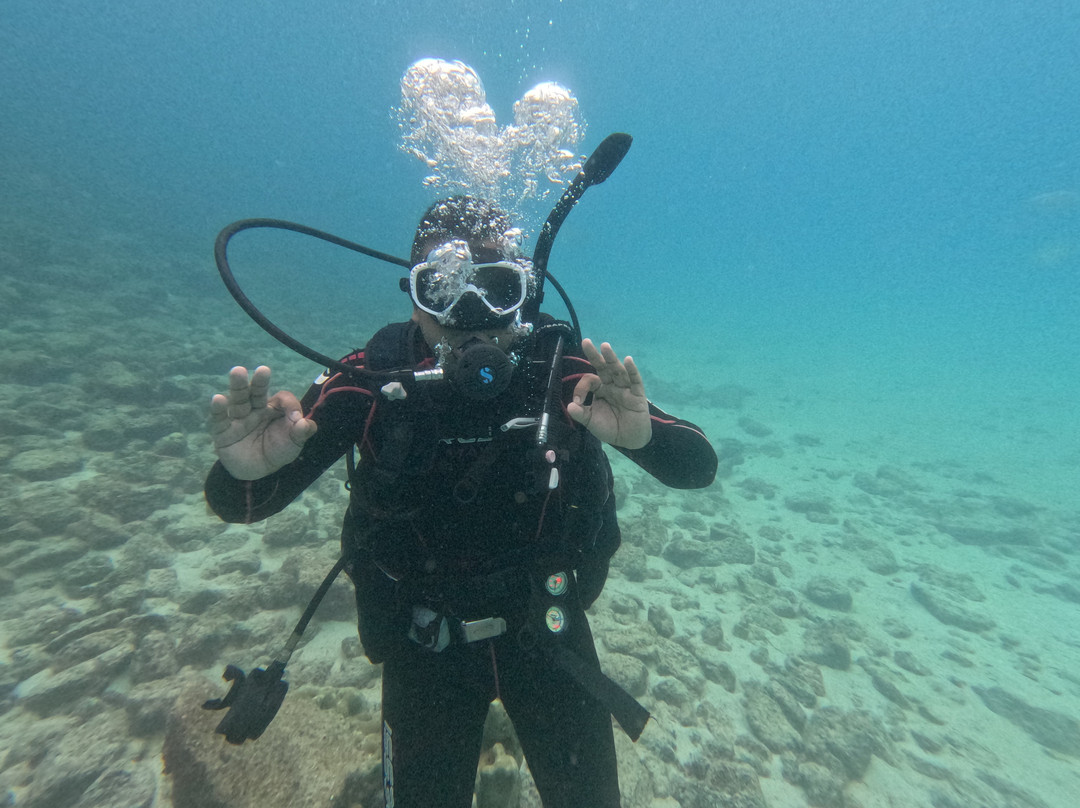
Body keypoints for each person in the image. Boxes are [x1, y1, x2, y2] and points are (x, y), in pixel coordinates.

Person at [204, 196, 717, 808]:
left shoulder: (566, 374)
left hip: (548, 635)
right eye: (442, 292)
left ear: (524, 294)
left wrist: (644, 437)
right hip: (425, 652)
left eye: (497, 289)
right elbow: (242, 503)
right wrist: (247, 471)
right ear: (413, 299)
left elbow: (698, 468)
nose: (471, 319)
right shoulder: (371, 381)